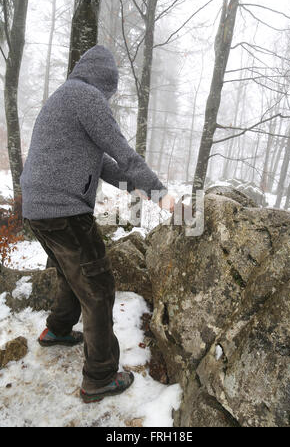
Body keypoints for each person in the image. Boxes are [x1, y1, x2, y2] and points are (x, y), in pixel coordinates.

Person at [20, 45, 175, 403]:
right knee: (99, 288)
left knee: (70, 275)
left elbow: (106, 165)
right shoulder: (88, 98)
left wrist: (141, 188)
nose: (109, 97)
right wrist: (163, 195)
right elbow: (124, 152)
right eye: (111, 91)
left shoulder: (64, 97)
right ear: (106, 80)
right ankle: (100, 376)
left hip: (39, 209)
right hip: (64, 211)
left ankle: (58, 331)